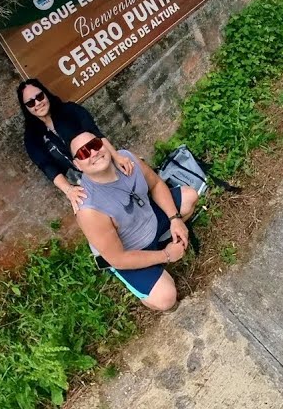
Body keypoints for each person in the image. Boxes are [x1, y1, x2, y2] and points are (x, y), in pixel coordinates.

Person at [68, 130, 198, 311]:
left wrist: (174, 219)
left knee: (189, 197)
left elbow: (156, 184)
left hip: (149, 220)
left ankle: (160, 244)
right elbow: (118, 258)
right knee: (166, 299)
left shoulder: (126, 158)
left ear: (104, 144)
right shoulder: (89, 208)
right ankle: (150, 272)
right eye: (83, 153)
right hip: (128, 251)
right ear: (77, 165)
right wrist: (167, 255)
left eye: (95, 144)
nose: (94, 152)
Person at [18, 79, 134, 210]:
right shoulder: (32, 137)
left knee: (131, 188)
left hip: (102, 165)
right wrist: (68, 190)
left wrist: (117, 157)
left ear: (45, 94)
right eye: (31, 102)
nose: (38, 103)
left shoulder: (70, 110)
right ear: (26, 108)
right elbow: (47, 166)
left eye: (39, 97)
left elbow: (95, 133)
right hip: (82, 182)